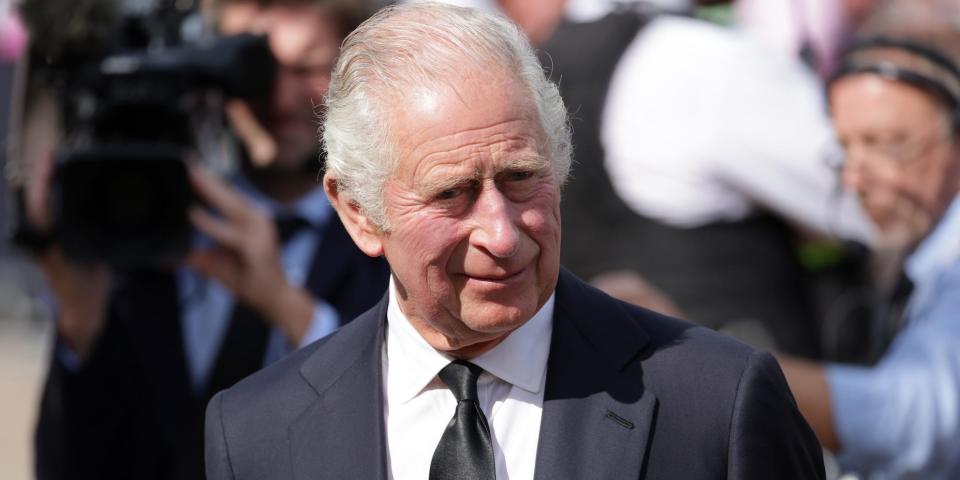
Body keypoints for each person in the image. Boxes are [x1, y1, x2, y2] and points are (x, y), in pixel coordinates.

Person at [205, 4, 824, 479]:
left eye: (522, 177)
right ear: (359, 213)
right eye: (451, 194)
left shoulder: (717, 400)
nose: (503, 235)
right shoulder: (257, 432)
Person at [22, 1, 388, 479]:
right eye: (254, 68)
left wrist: (281, 303)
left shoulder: (388, 240)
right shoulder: (151, 235)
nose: (279, 95)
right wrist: (81, 323)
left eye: (307, 68)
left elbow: (392, 432)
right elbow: (72, 464)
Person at [778, 1, 960, 477]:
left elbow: (918, 423)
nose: (858, 177)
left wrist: (720, 370)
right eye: (846, 148)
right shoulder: (918, 250)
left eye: (888, 144)